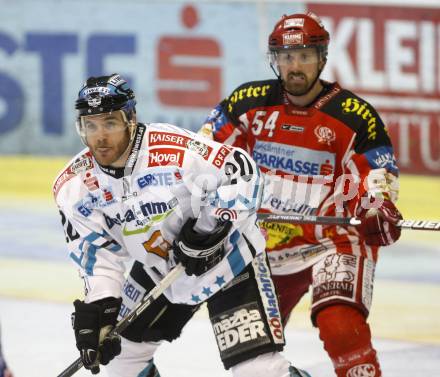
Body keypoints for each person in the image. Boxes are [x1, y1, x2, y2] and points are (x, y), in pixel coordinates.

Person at [53, 73, 311, 377]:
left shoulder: (175, 150)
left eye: (110, 122)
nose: (100, 136)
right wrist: (101, 310)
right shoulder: (74, 187)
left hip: (231, 260)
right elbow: (100, 260)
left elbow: (243, 173)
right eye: (91, 124)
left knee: (259, 371)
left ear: (130, 119)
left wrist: (208, 229)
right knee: (122, 358)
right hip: (161, 268)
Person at [199, 12, 403, 377]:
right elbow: (206, 154)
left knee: (342, 329)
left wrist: (377, 206)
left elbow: (378, 175)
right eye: (287, 57)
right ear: (274, 59)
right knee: (249, 354)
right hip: (261, 243)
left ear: (322, 58)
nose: (295, 67)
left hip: (333, 239)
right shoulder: (248, 103)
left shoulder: (354, 115)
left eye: (305, 56)